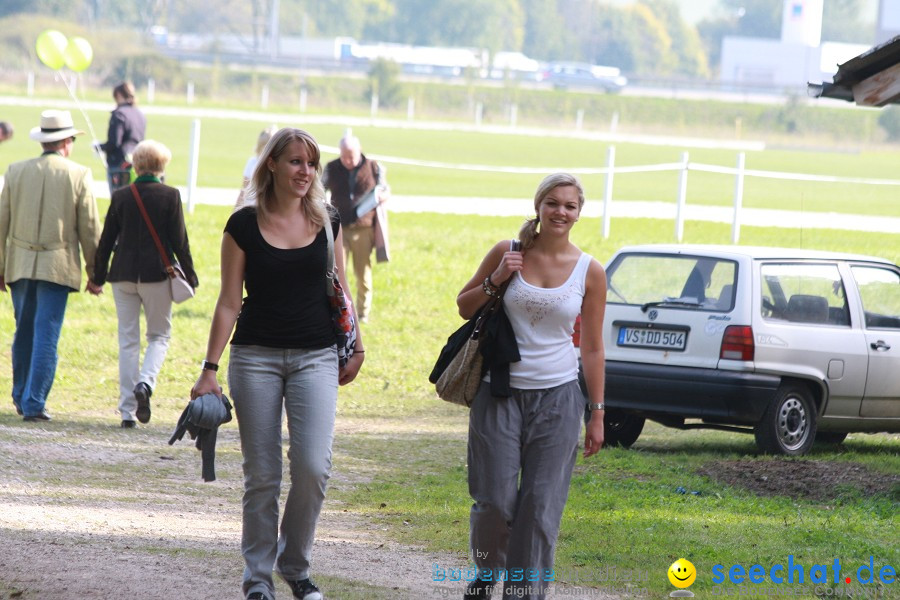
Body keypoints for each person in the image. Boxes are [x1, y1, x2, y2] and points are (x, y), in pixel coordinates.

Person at [191, 127, 365, 600]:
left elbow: (342, 292)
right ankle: (258, 579)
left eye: (311, 163)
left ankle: (296, 566)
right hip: (255, 358)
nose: (305, 171)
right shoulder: (242, 225)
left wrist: (357, 346)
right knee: (263, 474)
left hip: (317, 356)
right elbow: (228, 302)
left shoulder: (328, 220)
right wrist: (209, 368)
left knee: (313, 466)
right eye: (295, 162)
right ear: (271, 164)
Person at [455, 173, 607, 600]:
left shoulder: (590, 271)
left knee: (540, 508)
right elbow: (465, 306)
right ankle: (486, 575)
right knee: (495, 502)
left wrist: (597, 413)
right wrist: (498, 278)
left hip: (559, 398)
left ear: (579, 213)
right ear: (539, 205)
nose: (561, 212)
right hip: (499, 393)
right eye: (553, 203)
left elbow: (593, 348)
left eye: (570, 206)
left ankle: (524, 593)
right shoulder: (509, 252)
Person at [0, 110, 101, 421]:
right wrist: (95, 272)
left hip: (19, 263)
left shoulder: (15, 171)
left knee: (24, 331)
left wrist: (0, 268)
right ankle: (34, 401)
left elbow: (1, 224)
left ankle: (20, 395)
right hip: (57, 266)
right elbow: (90, 228)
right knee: (46, 334)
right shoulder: (79, 174)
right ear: (66, 142)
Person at [90, 139, 199, 428]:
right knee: (159, 336)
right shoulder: (170, 195)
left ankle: (127, 411)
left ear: (136, 165)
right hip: (156, 275)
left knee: (128, 340)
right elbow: (180, 243)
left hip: (122, 275)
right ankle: (146, 384)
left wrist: (97, 276)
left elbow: (106, 240)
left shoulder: (122, 195)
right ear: (163, 166)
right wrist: (191, 275)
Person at [321, 131, 390, 323]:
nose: (347, 160)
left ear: (359, 151)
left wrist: (383, 196)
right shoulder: (331, 168)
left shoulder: (374, 167)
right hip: (338, 228)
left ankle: (362, 313)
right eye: (343, 156)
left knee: (362, 272)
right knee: (335, 271)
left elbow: (385, 189)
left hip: (363, 229)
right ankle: (337, 309)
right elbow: (319, 189)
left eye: (350, 156)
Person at [97, 81, 146, 193]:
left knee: (118, 198)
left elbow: (114, 142)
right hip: (137, 161)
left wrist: (99, 147)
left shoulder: (119, 114)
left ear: (118, 95)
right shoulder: (140, 114)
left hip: (119, 163)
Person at [235, 125, 278, 209]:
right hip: (250, 207)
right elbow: (244, 188)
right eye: (263, 147)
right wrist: (236, 209)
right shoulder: (252, 162)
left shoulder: (276, 166)